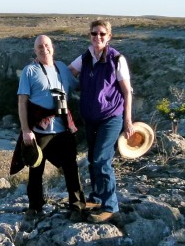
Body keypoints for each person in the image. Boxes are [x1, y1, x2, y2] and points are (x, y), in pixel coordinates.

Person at [10, 35, 86, 220]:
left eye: (47, 45)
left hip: (62, 129)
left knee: (71, 168)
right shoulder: (30, 71)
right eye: (39, 47)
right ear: (35, 51)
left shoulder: (62, 68)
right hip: (39, 130)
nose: (44, 49)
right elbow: (22, 102)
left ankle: (77, 206)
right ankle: (35, 207)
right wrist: (26, 130)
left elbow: (79, 85)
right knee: (35, 169)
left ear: (53, 47)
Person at [68, 19, 133, 223]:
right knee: (92, 158)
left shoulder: (116, 59)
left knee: (101, 160)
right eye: (94, 34)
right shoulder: (86, 57)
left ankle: (110, 205)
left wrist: (128, 121)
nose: (98, 37)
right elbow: (69, 73)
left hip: (111, 117)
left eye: (102, 34)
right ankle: (97, 197)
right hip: (90, 118)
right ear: (90, 35)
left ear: (109, 37)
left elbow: (127, 92)